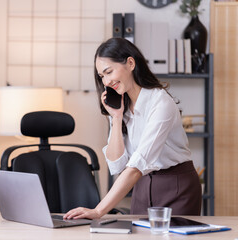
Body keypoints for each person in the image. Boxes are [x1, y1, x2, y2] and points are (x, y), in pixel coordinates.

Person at [63, 37, 201, 220]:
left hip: (176, 186)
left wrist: (98, 211)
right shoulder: (122, 107)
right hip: (142, 186)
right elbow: (117, 164)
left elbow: (137, 165)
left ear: (130, 63)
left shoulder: (160, 103)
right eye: (101, 76)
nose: (106, 82)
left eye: (109, 72)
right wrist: (117, 118)